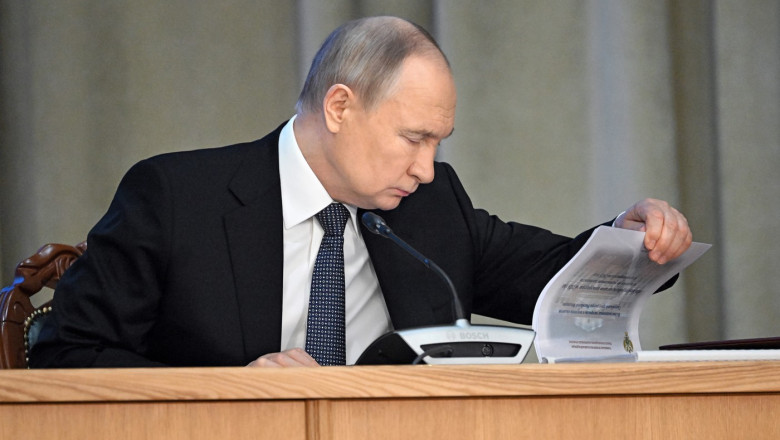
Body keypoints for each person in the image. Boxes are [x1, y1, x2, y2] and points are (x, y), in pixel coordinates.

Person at [30, 16, 692, 369]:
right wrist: (232, 395)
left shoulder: (430, 206)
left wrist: (633, 239)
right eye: (414, 139)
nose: (428, 168)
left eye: (439, 143)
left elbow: (550, 276)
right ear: (340, 106)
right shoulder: (177, 199)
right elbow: (67, 355)